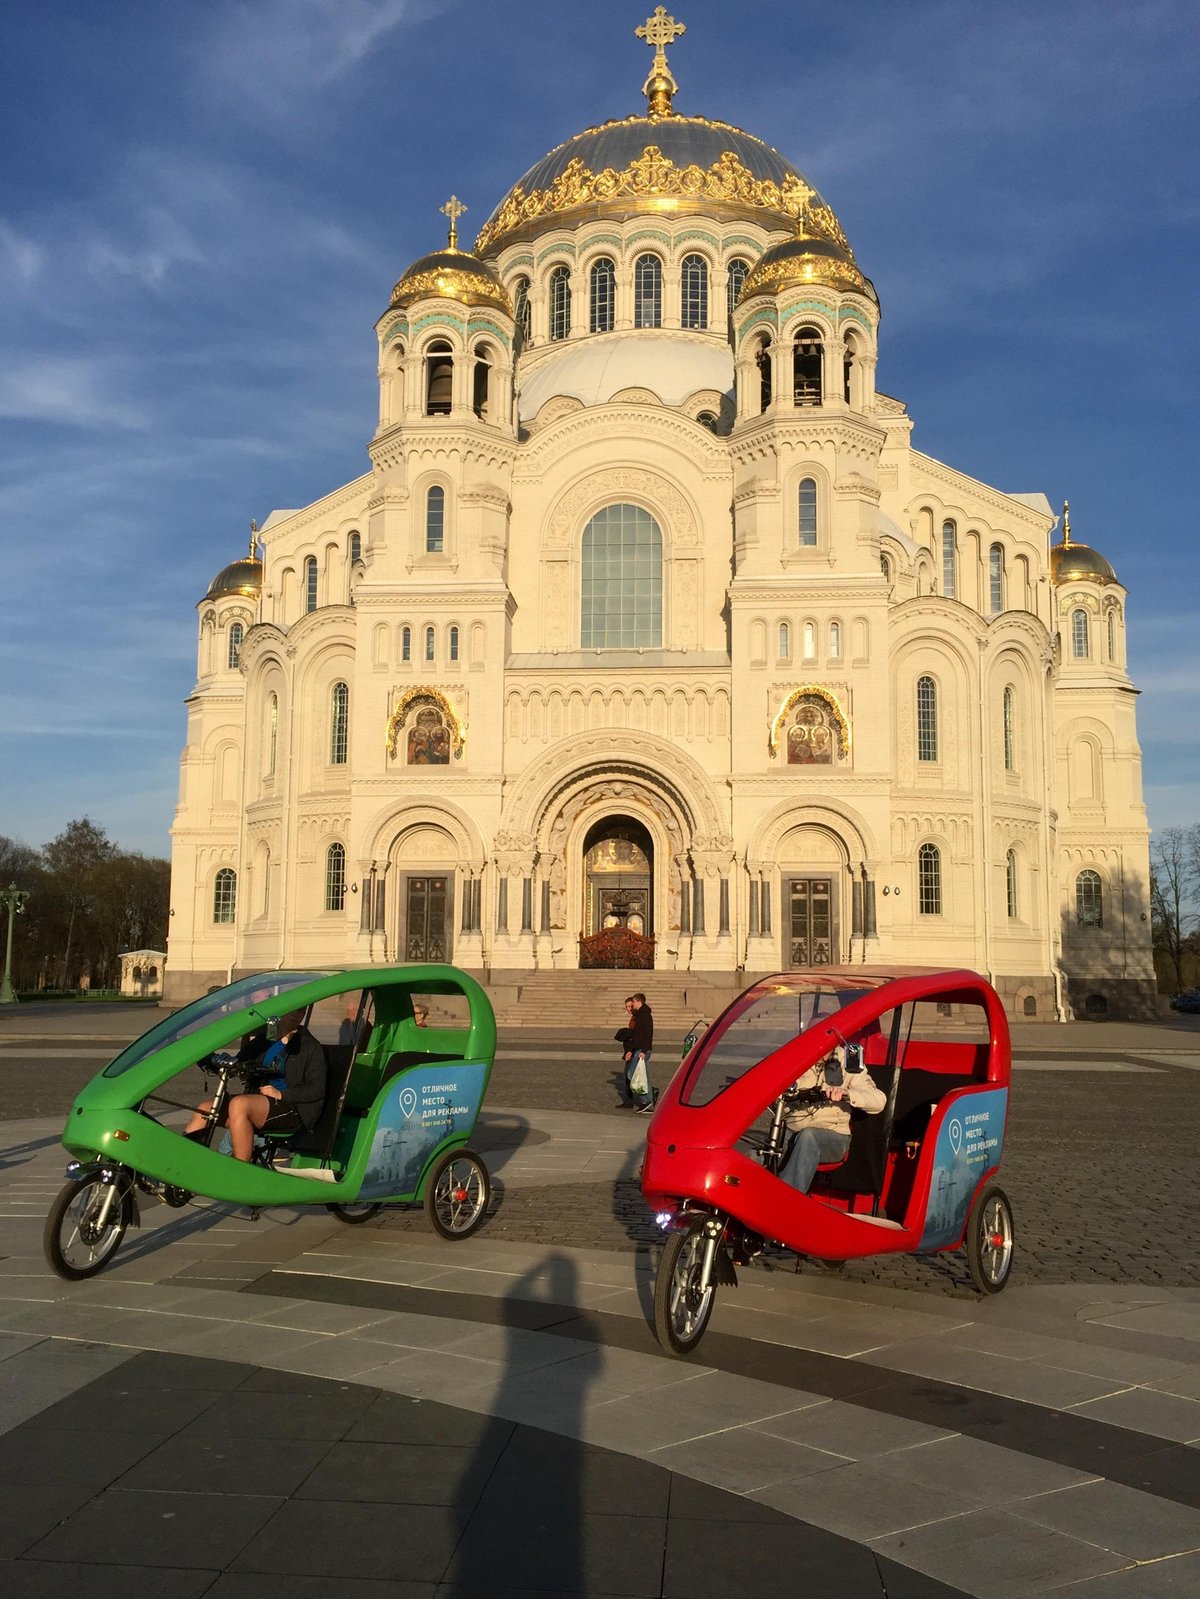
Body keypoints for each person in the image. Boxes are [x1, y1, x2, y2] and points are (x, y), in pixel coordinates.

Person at [185, 1009, 328, 1161]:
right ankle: (184, 1167)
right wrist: (210, 1060)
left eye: (300, 1012)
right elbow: (238, 1063)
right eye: (292, 1010)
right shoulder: (265, 1039)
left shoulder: (310, 1046)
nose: (295, 1015)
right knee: (204, 1110)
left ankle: (240, 1170)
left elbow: (317, 1089)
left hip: (291, 1109)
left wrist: (282, 1094)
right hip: (258, 1103)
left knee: (240, 1104)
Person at [777, 1045, 885, 1194]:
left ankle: (784, 1200)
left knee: (809, 1137)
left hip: (833, 1136)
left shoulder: (848, 1061)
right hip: (792, 1131)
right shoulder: (797, 1056)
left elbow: (879, 1101)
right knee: (757, 1154)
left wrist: (847, 1094)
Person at [627, 991, 655, 1114]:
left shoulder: (645, 1016)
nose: (632, 1004)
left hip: (642, 1050)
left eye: (633, 1002)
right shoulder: (640, 1015)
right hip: (639, 1049)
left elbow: (648, 1034)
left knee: (632, 1074)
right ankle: (648, 1101)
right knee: (643, 1076)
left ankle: (646, 1100)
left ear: (639, 1002)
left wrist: (643, 1050)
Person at [614, 997, 636, 1107]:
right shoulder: (633, 1018)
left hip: (633, 1051)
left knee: (629, 1076)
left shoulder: (636, 1019)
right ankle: (629, 1101)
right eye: (626, 1007)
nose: (628, 1009)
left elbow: (635, 1037)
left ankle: (649, 1094)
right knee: (630, 1076)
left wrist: (630, 1051)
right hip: (630, 1050)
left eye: (630, 1006)